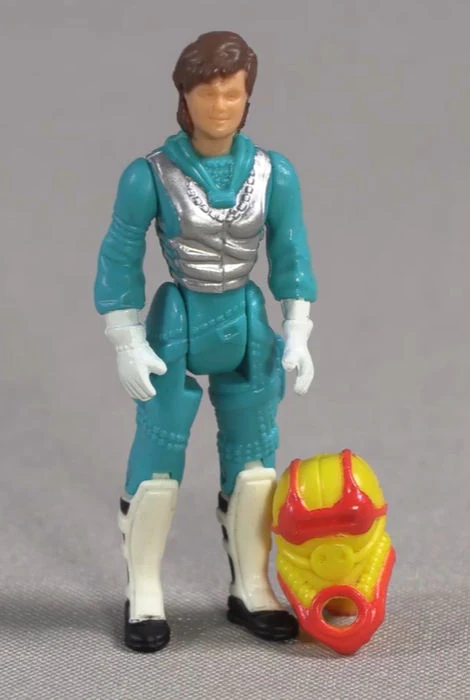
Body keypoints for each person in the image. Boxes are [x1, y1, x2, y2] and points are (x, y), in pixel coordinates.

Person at [94, 30, 317, 652]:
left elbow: (291, 253)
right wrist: (126, 340)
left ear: (248, 98)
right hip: (179, 318)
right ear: (184, 96)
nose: (220, 106)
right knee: (158, 462)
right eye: (208, 92)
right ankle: (144, 591)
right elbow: (118, 257)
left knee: (255, 465)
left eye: (232, 94)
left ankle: (251, 586)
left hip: (245, 316)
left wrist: (298, 331)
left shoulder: (274, 172)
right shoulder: (149, 174)